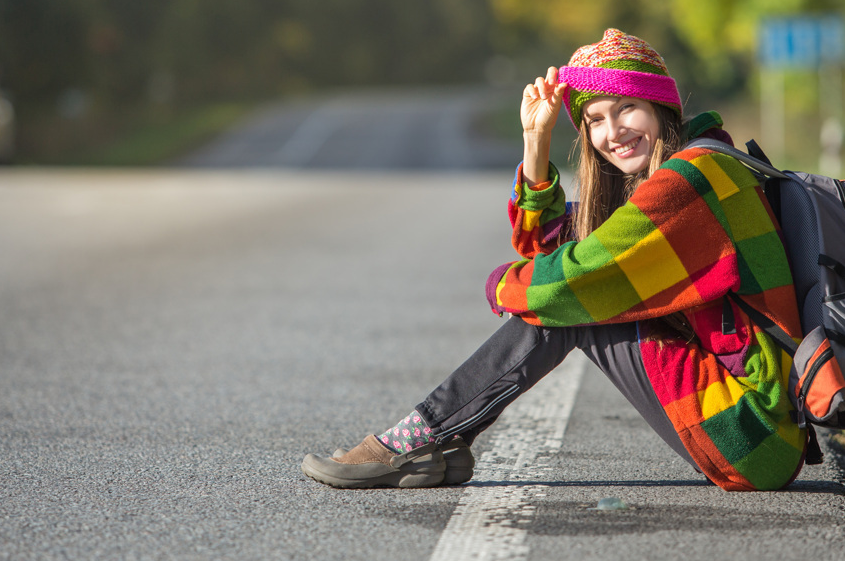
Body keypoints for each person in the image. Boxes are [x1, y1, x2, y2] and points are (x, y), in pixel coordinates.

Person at [301, 28, 806, 492]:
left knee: (577, 303)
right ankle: (437, 441)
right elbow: (551, 241)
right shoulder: (682, 171)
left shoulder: (691, 181)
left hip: (752, 430)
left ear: (660, 107)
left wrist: (502, 286)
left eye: (626, 107)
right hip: (757, 429)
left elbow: (569, 280)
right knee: (577, 292)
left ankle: (415, 439)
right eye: (594, 120)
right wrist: (535, 139)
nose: (612, 133)